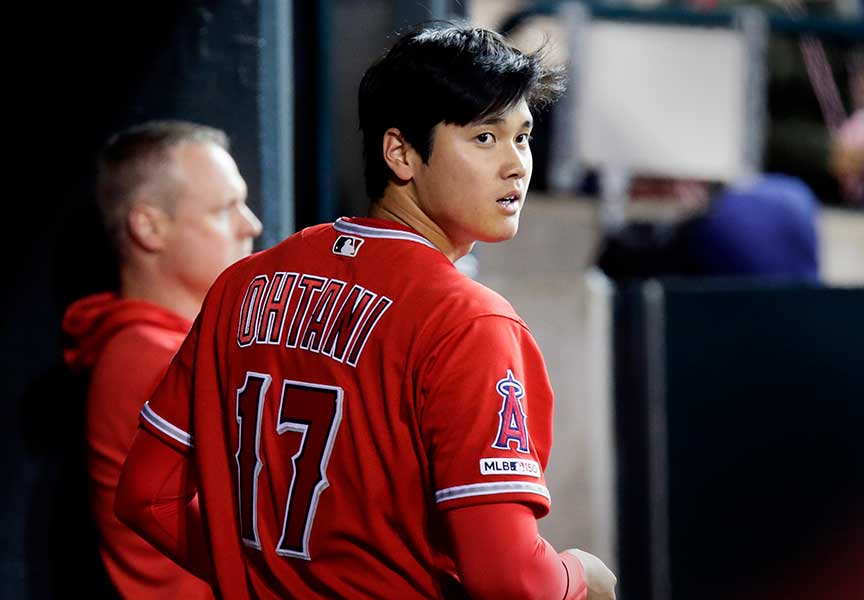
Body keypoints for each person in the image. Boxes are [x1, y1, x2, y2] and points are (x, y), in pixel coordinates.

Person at [115, 24, 617, 599]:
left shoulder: (242, 284)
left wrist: (250, 573)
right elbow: (510, 579)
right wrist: (582, 578)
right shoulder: (467, 322)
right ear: (400, 153)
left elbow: (147, 495)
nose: (514, 165)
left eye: (521, 137)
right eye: (484, 137)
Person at [63, 120, 263, 599]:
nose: (251, 225)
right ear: (149, 226)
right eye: (224, 209)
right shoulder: (152, 357)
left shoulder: (156, 345)